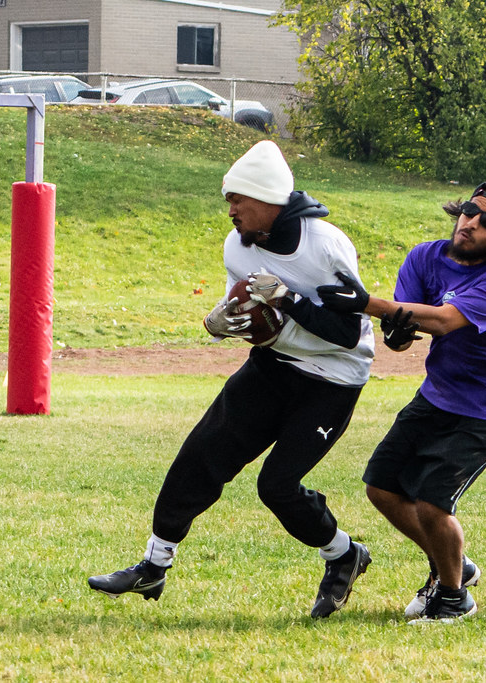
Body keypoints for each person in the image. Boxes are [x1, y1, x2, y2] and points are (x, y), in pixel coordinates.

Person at [87, 140, 376, 619]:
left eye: (237, 199)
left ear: (267, 198)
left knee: (277, 485)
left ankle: (344, 554)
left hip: (332, 377)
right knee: (201, 454)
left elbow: (347, 335)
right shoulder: (237, 246)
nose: (231, 210)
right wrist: (224, 322)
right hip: (274, 362)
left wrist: (287, 299)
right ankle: (154, 565)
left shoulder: (325, 244)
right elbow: (248, 317)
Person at [317, 179, 486, 622]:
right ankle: (455, 566)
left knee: (432, 503)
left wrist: (366, 303)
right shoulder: (424, 257)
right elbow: (406, 331)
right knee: (382, 486)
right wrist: (395, 331)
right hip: (438, 394)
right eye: (469, 211)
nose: (470, 222)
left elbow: (441, 320)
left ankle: (454, 599)